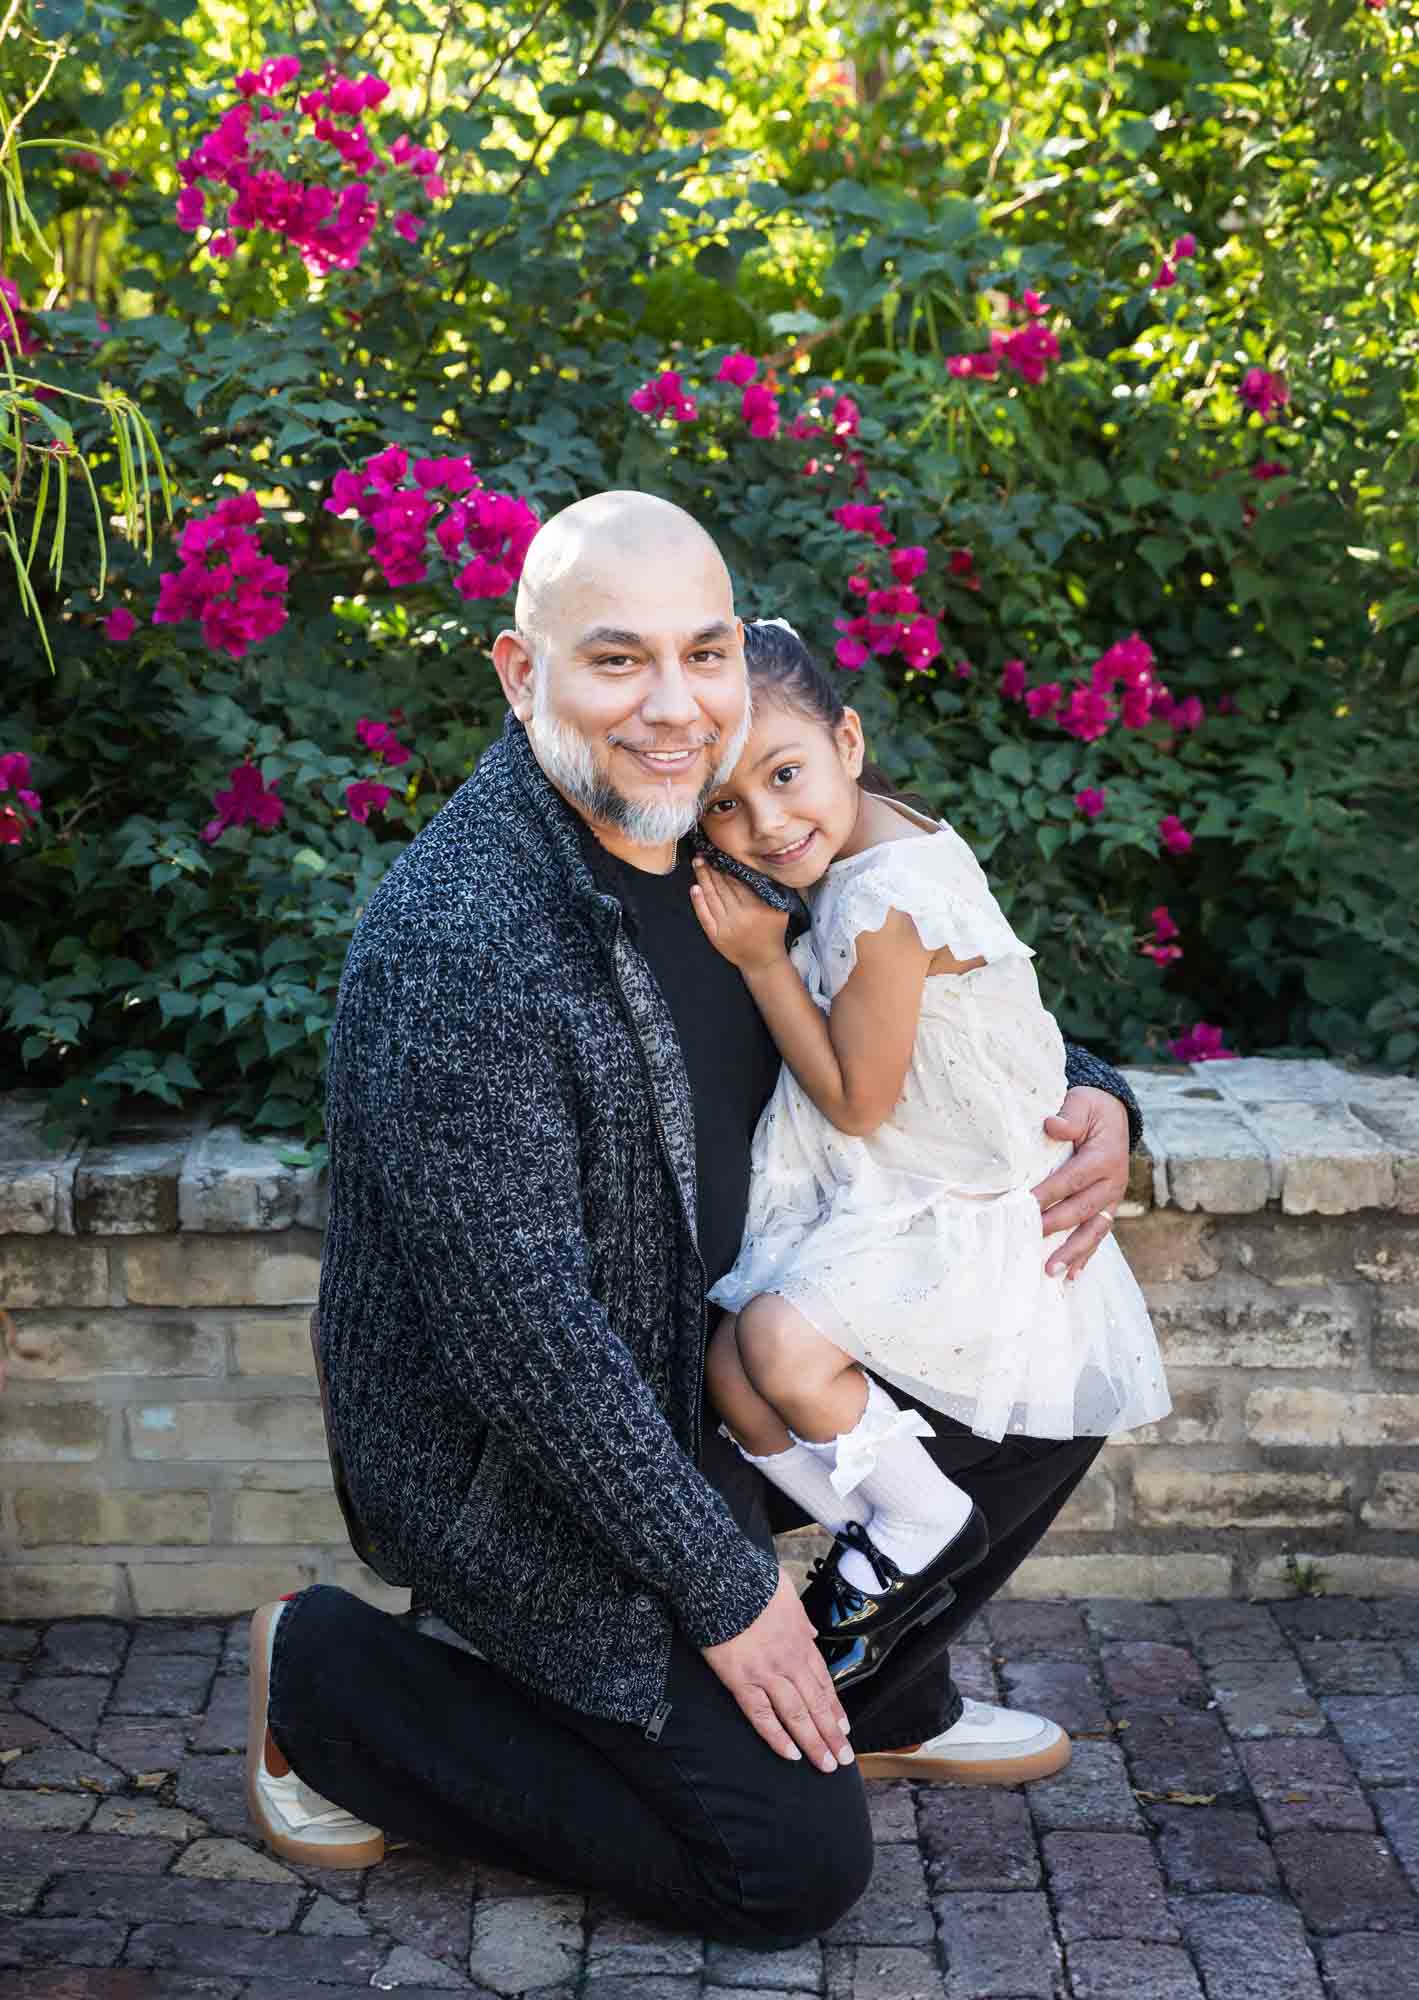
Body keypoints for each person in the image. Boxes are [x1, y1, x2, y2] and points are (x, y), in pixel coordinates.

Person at [244, 491, 1140, 1936]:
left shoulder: (730, 845)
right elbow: (523, 1342)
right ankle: (332, 1680)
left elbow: (936, 1003)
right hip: (529, 1462)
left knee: (1051, 1347)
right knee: (785, 1867)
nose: (675, 708)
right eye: (616, 662)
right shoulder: (465, 942)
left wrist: (1098, 1101)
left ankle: (876, 1689)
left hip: (708, 1377)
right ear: (519, 673)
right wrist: (726, 1592)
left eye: (704, 653)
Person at [690, 620, 1170, 1691]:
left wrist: (766, 962)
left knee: (776, 1342)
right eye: (724, 802)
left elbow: (860, 1099)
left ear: (848, 740)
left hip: (951, 1205)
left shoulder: (879, 897)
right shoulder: (875, 841)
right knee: (734, 1369)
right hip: (910, 1177)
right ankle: (887, 1549)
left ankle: (917, 1529)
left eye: (784, 774)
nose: (765, 823)